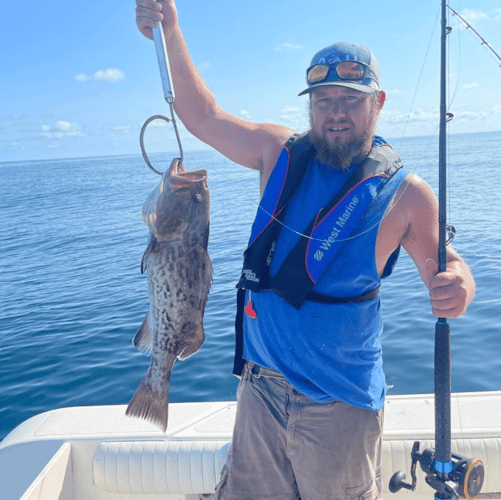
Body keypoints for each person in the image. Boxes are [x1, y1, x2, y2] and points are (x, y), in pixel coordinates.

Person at [135, 2, 476, 499]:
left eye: (351, 100)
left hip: (340, 403)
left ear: (377, 102)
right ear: (310, 106)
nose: (336, 112)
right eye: (323, 100)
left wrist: (459, 288)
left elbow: (448, 268)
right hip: (260, 393)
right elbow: (201, 115)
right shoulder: (277, 154)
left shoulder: (407, 195)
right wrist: (171, 27)